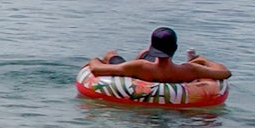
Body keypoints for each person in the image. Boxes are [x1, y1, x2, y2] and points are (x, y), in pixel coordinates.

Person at [87, 27, 231, 82]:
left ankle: (148, 51)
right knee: (194, 62)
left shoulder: (138, 66)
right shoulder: (189, 70)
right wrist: (204, 60)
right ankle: (196, 59)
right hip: (176, 71)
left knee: (111, 54)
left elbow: (95, 70)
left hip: (144, 71)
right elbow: (225, 73)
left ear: (153, 47)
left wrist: (94, 59)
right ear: (175, 48)